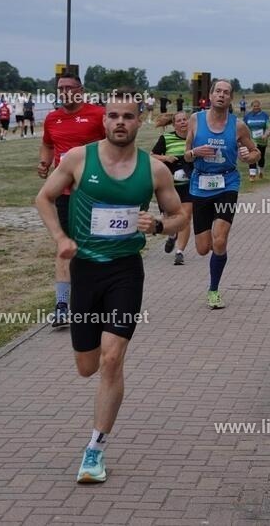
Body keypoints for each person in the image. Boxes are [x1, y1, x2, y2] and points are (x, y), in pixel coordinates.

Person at [35, 88, 188, 484]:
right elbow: (45, 198)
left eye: (128, 116)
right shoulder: (78, 158)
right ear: (104, 121)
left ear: (140, 122)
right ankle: (97, 426)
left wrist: (156, 225)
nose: (120, 122)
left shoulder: (153, 170)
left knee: (111, 359)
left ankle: (95, 449)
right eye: (114, 116)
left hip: (125, 271)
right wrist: (61, 239)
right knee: (86, 366)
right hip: (85, 269)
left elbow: (179, 217)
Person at [184, 80, 260, 309]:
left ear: (231, 99)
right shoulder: (196, 120)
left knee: (220, 238)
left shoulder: (238, 126)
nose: (222, 95)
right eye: (218, 91)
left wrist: (249, 157)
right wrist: (194, 152)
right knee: (202, 248)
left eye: (226, 92)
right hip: (200, 184)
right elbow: (187, 155)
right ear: (210, 95)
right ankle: (215, 255)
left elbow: (255, 151)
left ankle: (214, 290)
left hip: (227, 183)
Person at [39, 72, 107, 328]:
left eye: (70, 87)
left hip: (95, 193)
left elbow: (115, 144)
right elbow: (47, 144)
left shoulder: (98, 114)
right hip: (65, 194)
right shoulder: (52, 118)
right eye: (60, 87)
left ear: (81, 89)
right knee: (66, 245)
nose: (65, 91)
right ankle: (61, 305)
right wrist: (45, 162)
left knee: (94, 247)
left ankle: (98, 297)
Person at [151, 111, 194, 266]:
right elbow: (152, 155)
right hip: (169, 186)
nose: (183, 122)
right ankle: (171, 235)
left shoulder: (194, 138)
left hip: (189, 185)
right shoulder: (166, 138)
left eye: (185, 120)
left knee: (186, 217)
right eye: (179, 121)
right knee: (170, 219)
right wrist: (166, 158)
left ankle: (179, 252)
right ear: (174, 124)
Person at [243, 100, 270, 181]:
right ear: (251, 107)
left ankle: (261, 170)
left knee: (261, 157)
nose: (256, 107)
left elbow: (269, 127)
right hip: (251, 140)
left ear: (260, 106)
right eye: (254, 106)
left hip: (262, 140)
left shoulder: (264, 115)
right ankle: (252, 174)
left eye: (257, 106)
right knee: (252, 156)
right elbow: (243, 127)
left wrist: (266, 134)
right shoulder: (247, 116)